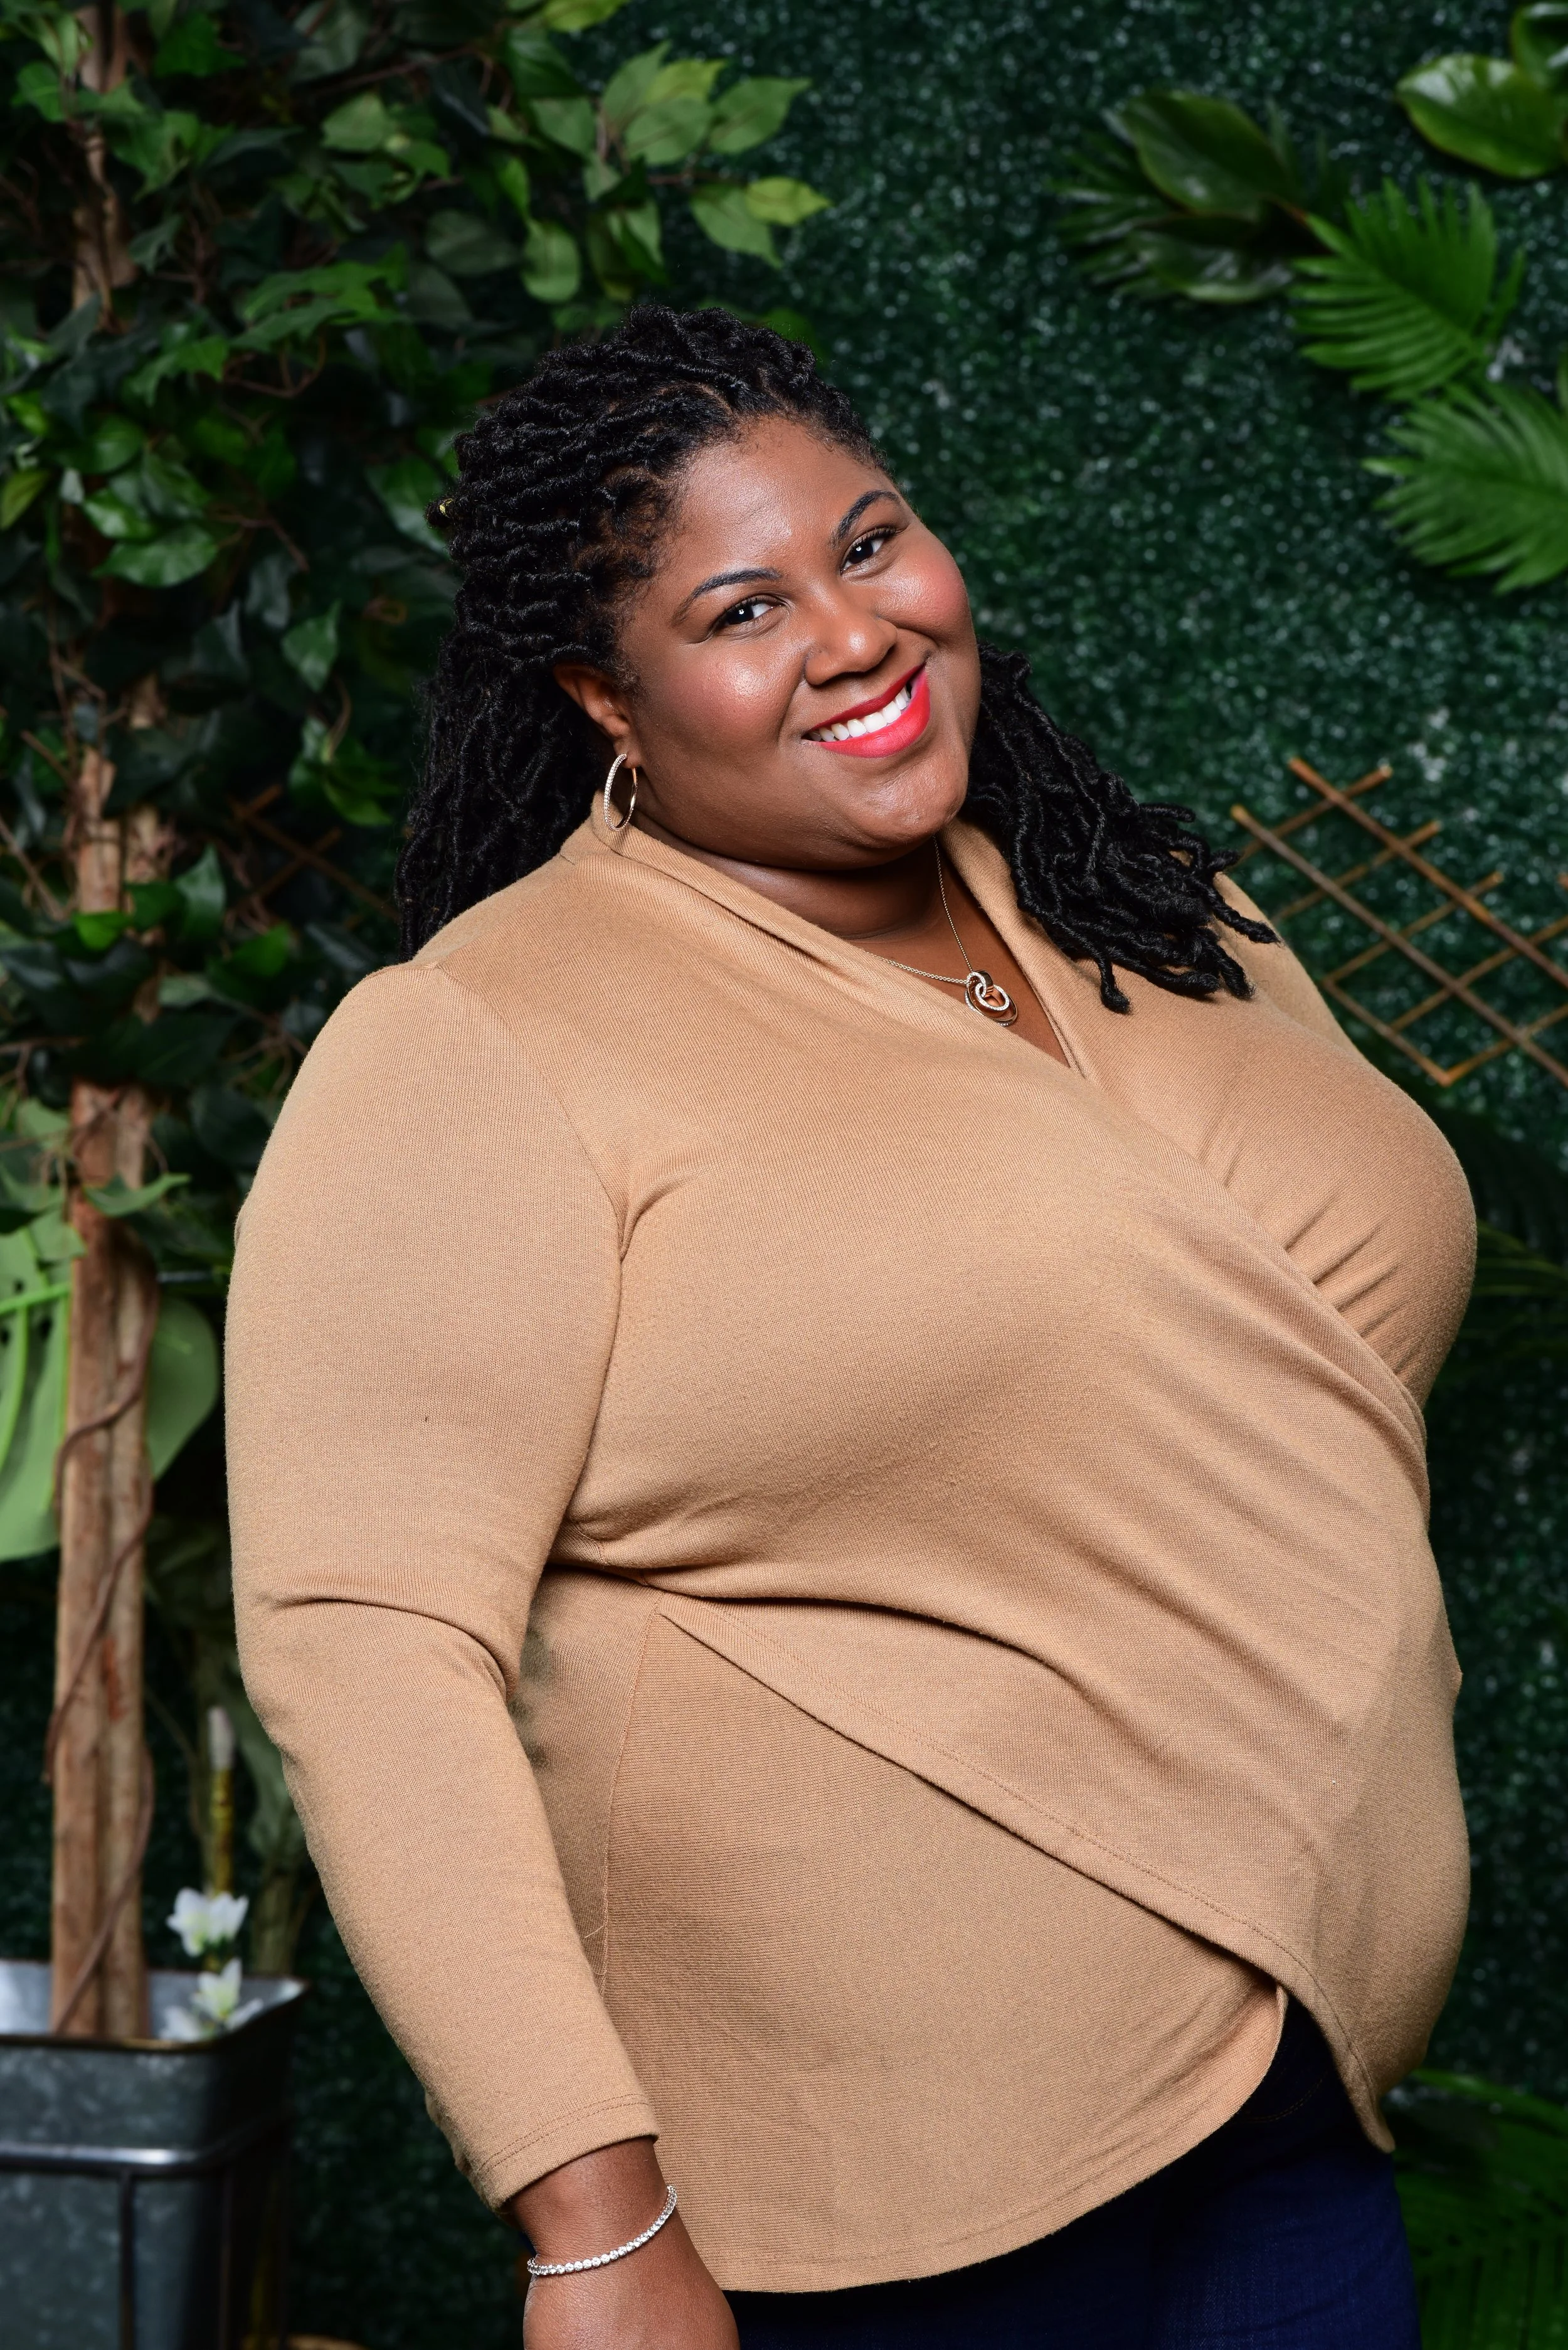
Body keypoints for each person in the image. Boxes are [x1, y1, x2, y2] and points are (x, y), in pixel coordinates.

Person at [228, 306, 1476, 2348]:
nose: (852, 633)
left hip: (1295, 2113)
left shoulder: (1150, 904)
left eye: (871, 544)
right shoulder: (479, 1041)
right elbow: (364, 1647)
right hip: (875, 2188)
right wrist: (593, 2219)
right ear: (606, 698)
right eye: (742, 610)